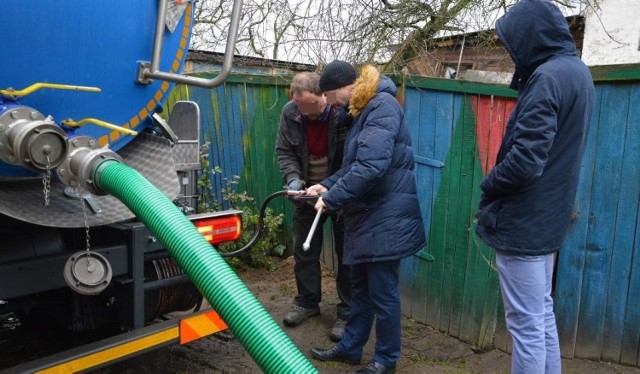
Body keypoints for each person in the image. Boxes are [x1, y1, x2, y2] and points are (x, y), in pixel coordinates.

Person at [474, 1, 595, 373]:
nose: (512, 52)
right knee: (541, 314)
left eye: (514, 42)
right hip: (547, 219)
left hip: (524, 222)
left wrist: (489, 184)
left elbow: (526, 161)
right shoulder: (577, 72)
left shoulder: (548, 78)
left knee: (526, 327)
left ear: (530, 36)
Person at [307, 61, 426, 374]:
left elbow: (372, 167)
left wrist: (332, 199)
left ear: (347, 86)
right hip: (368, 217)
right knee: (361, 288)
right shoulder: (364, 110)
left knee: (383, 293)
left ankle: (386, 360)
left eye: (331, 95)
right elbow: (355, 165)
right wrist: (327, 184)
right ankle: (350, 348)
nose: (331, 103)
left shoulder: (381, 107)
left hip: (385, 218)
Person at [275, 71, 354, 342]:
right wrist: (294, 179)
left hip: (341, 193)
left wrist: (333, 187)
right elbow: (284, 151)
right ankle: (307, 303)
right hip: (307, 194)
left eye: (312, 107)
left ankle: (347, 313)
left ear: (324, 95)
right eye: (301, 107)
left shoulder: (343, 114)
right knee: (305, 251)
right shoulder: (290, 113)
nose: (306, 114)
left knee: (348, 255)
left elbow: (353, 160)